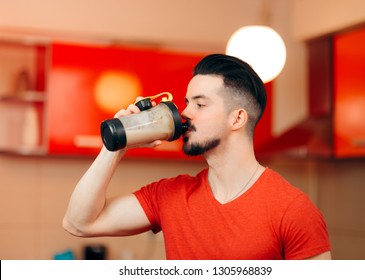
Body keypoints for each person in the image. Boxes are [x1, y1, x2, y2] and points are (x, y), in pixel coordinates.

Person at [63, 54, 331, 260]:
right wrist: (116, 146)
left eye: (200, 104)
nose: (185, 113)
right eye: (187, 102)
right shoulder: (169, 195)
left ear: (237, 118)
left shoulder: (293, 210)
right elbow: (79, 223)